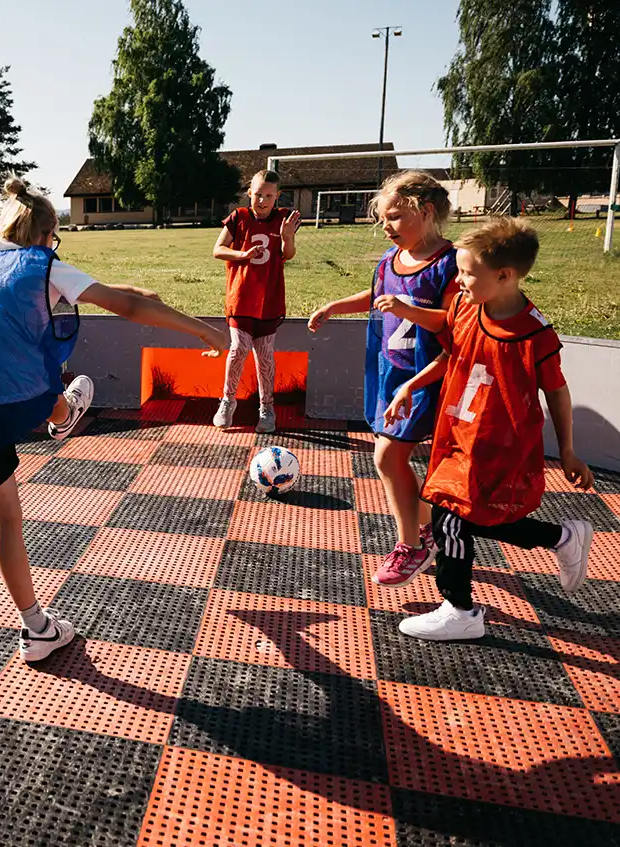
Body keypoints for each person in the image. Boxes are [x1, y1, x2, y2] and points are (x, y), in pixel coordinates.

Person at [0, 175, 227, 662]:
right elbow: (126, 308)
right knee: (45, 360)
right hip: (23, 397)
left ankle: (35, 627)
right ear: (47, 235)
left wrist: (122, 286)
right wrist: (202, 329)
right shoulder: (42, 262)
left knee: (6, 518)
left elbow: (81, 288)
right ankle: (64, 409)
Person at [385, 217, 593, 640]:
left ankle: (460, 609)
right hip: (458, 433)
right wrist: (410, 384)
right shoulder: (466, 307)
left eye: (467, 273)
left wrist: (568, 450)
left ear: (504, 276)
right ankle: (559, 538)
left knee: (455, 518)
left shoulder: (535, 334)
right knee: (456, 516)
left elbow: (557, 392)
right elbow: (453, 355)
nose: (459, 280)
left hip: (499, 446)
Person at [309, 171, 458, 587]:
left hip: (428, 375)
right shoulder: (389, 261)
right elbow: (375, 297)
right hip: (389, 373)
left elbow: (452, 320)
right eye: (384, 218)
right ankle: (426, 530)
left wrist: (409, 311)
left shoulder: (450, 264)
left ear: (426, 212)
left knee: (387, 458)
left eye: (394, 216)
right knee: (393, 457)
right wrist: (335, 306)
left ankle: (411, 545)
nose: (386, 226)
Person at [211, 169, 301, 433]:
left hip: (269, 300)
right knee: (238, 349)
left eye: (269, 196)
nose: (262, 201)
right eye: (258, 194)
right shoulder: (238, 217)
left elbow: (289, 255)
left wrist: (287, 237)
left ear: (277, 197)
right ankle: (227, 401)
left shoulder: (284, 219)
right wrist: (242, 254)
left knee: (264, 356)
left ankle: (267, 407)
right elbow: (217, 250)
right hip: (240, 297)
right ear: (249, 193)